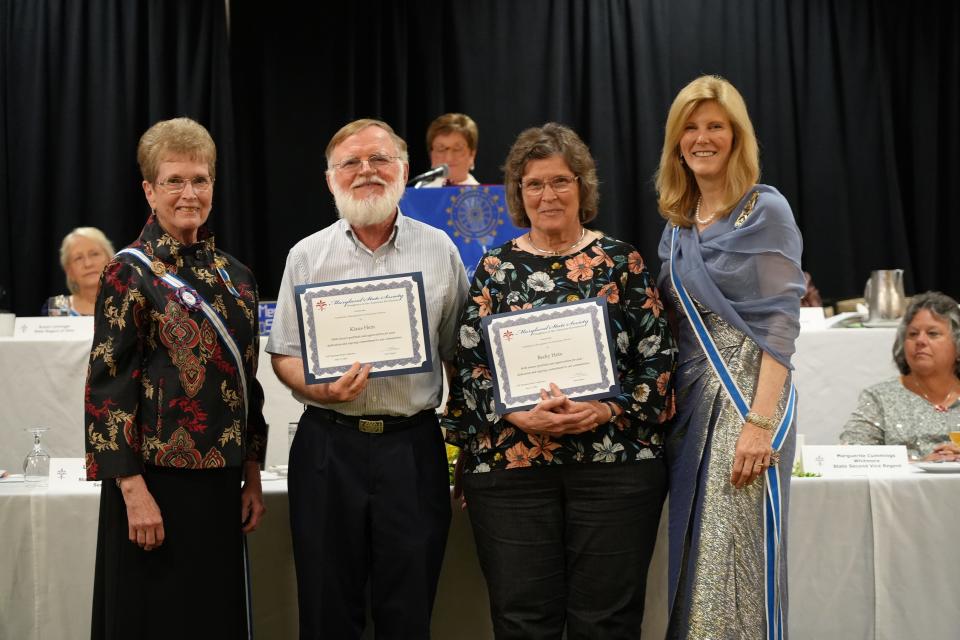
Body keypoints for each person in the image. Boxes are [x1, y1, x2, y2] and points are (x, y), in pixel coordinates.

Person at [443, 122, 676, 638]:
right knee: (522, 621)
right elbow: (469, 367)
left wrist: (605, 409)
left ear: (582, 187)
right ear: (518, 194)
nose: (548, 195)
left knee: (607, 623)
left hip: (614, 465)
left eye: (560, 181)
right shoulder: (494, 269)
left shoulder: (622, 262)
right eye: (534, 184)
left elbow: (658, 358)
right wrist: (515, 411)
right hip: (512, 471)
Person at [267, 118, 469, 638]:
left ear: (403, 170)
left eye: (380, 159)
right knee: (326, 607)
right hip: (328, 448)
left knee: (409, 608)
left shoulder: (441, 250)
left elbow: (461, 357)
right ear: (330, 178)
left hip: (413, 448)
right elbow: (284, 355)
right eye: (350, 163)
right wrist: (320, 389)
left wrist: (469, 439)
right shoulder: (307, 255)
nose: (366, 172)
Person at [84, 117, 268, 639]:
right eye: (174, 181)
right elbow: (107, 388)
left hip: (220, 483)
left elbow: (247, 385)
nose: (190, 193)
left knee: (213, 618)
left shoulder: (238, 277)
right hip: (153, 486)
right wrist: (133, 490)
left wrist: (251, 471)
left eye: (201, 180)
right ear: (149, 189)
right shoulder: (129, 272)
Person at [655, 75, 806, 639]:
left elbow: (779, 327)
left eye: (715, 125)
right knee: (699, 561)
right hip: (693, 411)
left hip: (749, 405)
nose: (702, 138)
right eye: (690, 128)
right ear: (676, 142)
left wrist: (759, 424)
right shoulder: (676, 224)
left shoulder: (765, 209)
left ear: (736, 135)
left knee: (736, 559)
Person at [840, 291, 960, 460]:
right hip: (902, 487)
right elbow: (852, 453)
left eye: (933, 333)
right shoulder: (880, 397)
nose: (920, 341)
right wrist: (919, 464)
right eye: (912, 334)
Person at [44, 227, 114, 315]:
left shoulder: (129, 304)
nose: (88, 264)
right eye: (78, 258)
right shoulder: (57, 307)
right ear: (69, 270)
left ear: (110, 260)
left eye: (94, 254)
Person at [422, 112, 480, 186]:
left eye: (457, 149)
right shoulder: (416, 195)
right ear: (431, 154)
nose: (449, 158)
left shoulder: (486, 196)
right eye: (441, 149)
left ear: (472, 154)